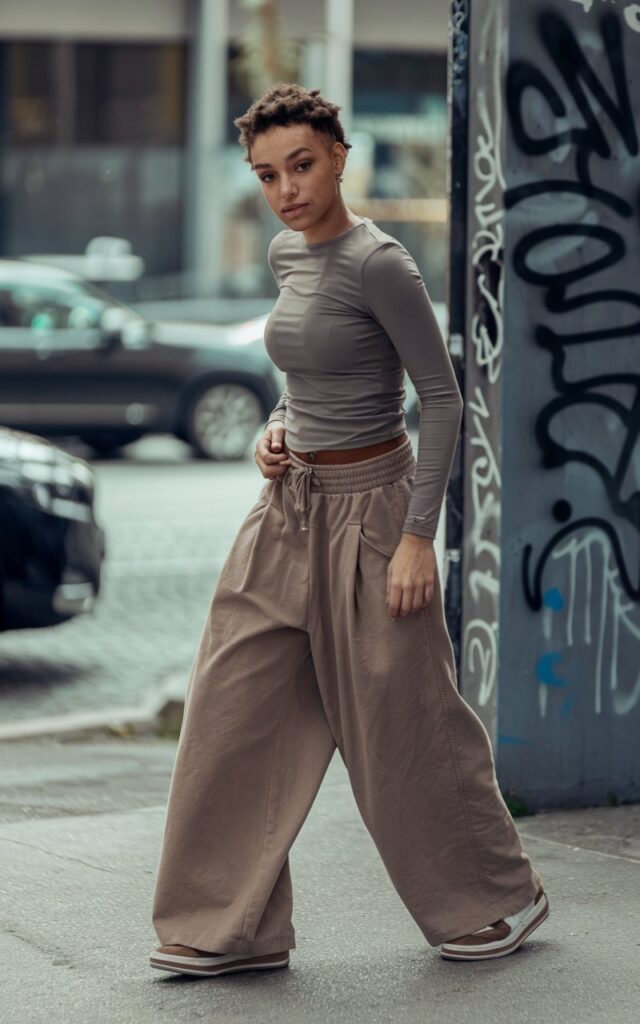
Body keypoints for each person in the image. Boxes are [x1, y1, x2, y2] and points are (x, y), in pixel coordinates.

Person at [149, 82, 549, 978]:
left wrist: (418, 537)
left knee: (402, 721)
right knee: (231, 707)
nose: (286, 189)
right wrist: (278, 426)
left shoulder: (381, 263)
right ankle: (230, 925)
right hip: (287, 510)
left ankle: (496, 896)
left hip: (374, 513)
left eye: (300, 165)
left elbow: (440, 401)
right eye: (266, 175)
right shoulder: (290, 256)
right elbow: (307, 377)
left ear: (338, 156)